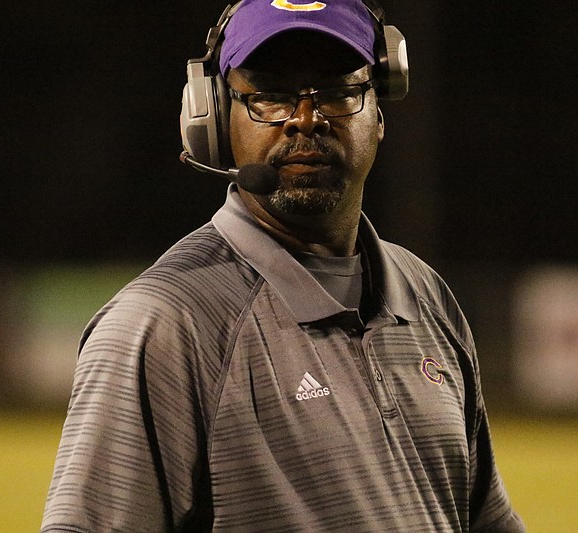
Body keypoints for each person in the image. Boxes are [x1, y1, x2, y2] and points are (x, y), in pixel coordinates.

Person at [42, 1, 525, 531]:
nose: (305, 119)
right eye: (269, 95)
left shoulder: (426, 295)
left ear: (379, 115)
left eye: (339, 92)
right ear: (214, 115)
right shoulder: (161, 326)